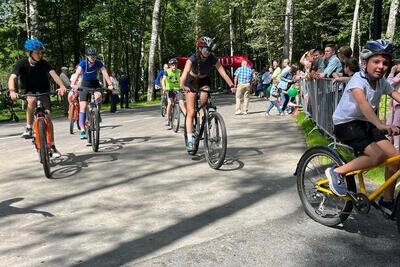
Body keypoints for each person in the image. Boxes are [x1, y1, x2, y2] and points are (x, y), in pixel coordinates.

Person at [325, 40, 400, 215]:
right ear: (365, 63)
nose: (381, 66)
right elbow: (363, 104)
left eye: (385, 63)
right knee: (377, 156)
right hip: (346, 124)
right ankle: (337, 172)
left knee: (395, 159)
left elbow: (397, 95)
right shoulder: (358, 79)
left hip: (366, 124)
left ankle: (387, 200)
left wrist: (378, 125)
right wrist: (381, 125)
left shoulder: (382, 82)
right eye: (376, 62)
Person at [7, 38, 66, 157]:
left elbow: (54, 75)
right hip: (29, 90)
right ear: (30, 53)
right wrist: (12, 91)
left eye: (41, 52)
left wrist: (61, 86)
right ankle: (29, 127)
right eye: (37, 52)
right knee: (31, 100)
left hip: (43, 90)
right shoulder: (21, 64)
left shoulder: (44, 63)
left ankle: (53, 146)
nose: (40, 54)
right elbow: (12, 77)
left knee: (48, 117)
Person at [180, 36, 234, 151]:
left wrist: (232, 85)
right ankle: (190, 139)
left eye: (209, 49)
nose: (207, 52)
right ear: (199, 48)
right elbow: (184, 74)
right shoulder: (193, 58)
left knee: (205, 101)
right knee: (191, 111)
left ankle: (205, 117)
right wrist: (183, 86)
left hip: (204, 80)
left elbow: (223, 73)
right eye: (205, 49)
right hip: (191, 81)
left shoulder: (213, 58)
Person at [70, 47, 113, 140]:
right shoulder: (83, 63)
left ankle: (97, 113)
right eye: (90, 56)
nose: (92, 57)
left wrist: (110, 84)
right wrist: (73, 84)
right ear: (87, 56)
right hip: (84, 84)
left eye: (94, 56)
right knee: (83, 106)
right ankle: (82, 130)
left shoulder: (99, 63)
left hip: (95, 83)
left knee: (99, 96)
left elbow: (105, 73)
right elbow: (77, 74)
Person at [162, 58, 186, 129]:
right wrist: (164, 86)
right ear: (170, 65)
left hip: (178, 89)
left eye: (175, 64)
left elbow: (182, 79)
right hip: (169, 89)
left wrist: (184, 86)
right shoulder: (167, 72)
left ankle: (188, 119)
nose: (174, 66)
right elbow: (163, 80)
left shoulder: (179, 71)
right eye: (172, 65)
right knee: (170, 103)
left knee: (181, 102)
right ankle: (168, 119)